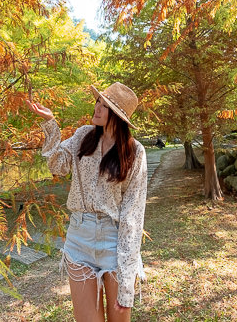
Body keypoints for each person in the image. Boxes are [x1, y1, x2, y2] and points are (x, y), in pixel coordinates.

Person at [26, 82, 147, 322]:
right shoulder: (83, 136)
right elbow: (58, 165)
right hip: (79, 239)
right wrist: (51, 124)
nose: (97, 108)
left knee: (119, 317)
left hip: (115, 242)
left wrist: (126, 282)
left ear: (119, 116)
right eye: (98, 101)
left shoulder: (135, 153)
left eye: (105, 105)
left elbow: (133, 215)